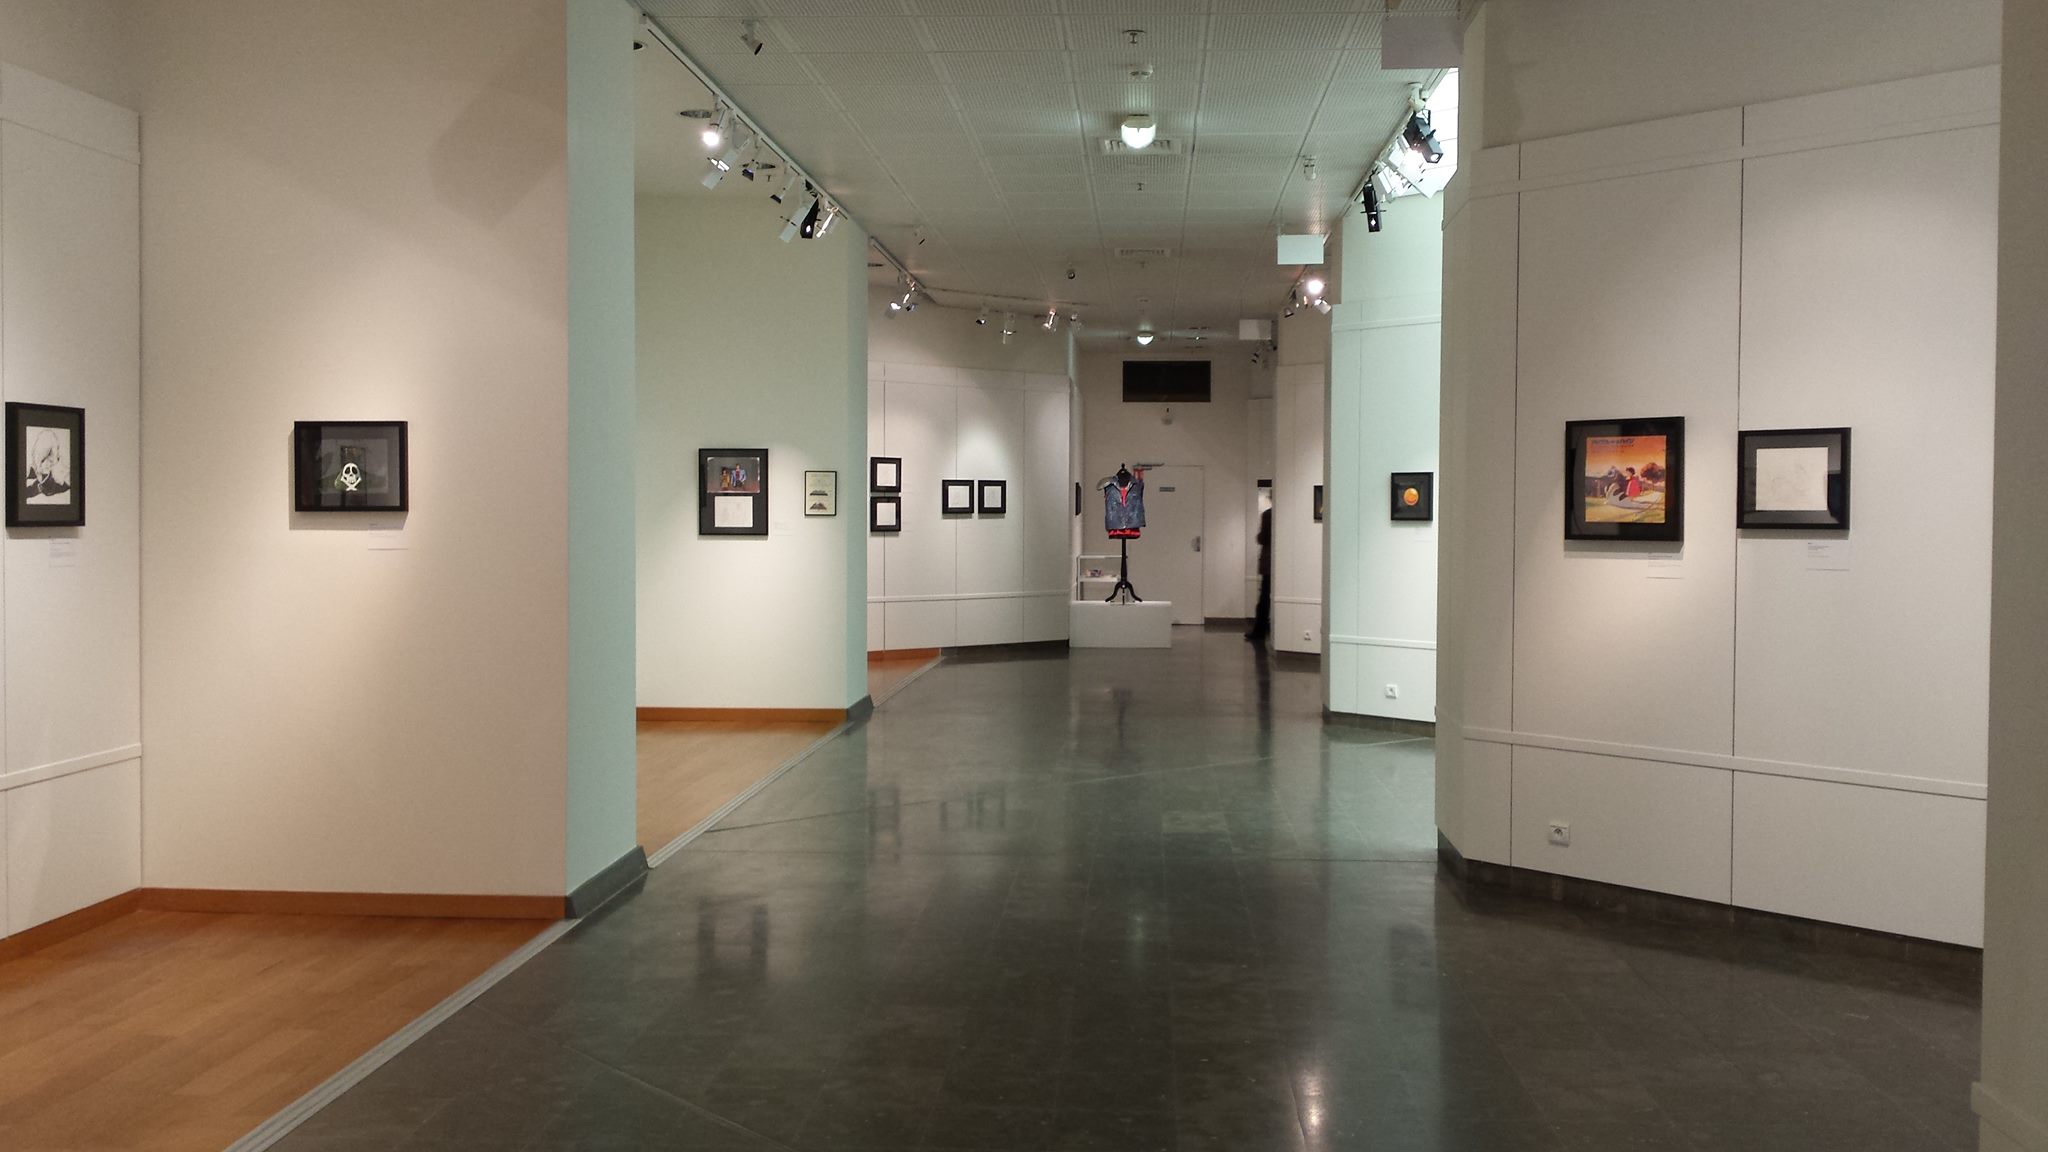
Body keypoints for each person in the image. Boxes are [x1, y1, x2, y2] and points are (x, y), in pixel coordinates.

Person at [1247, 504, 1272, 645]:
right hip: (1274, 564)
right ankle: (1264, 628)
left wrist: (1259, 536)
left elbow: (1263, 538)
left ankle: (1260, 630)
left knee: (1264, 598)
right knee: (1266, 598)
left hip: (1268, 564)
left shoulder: (1268, 514)